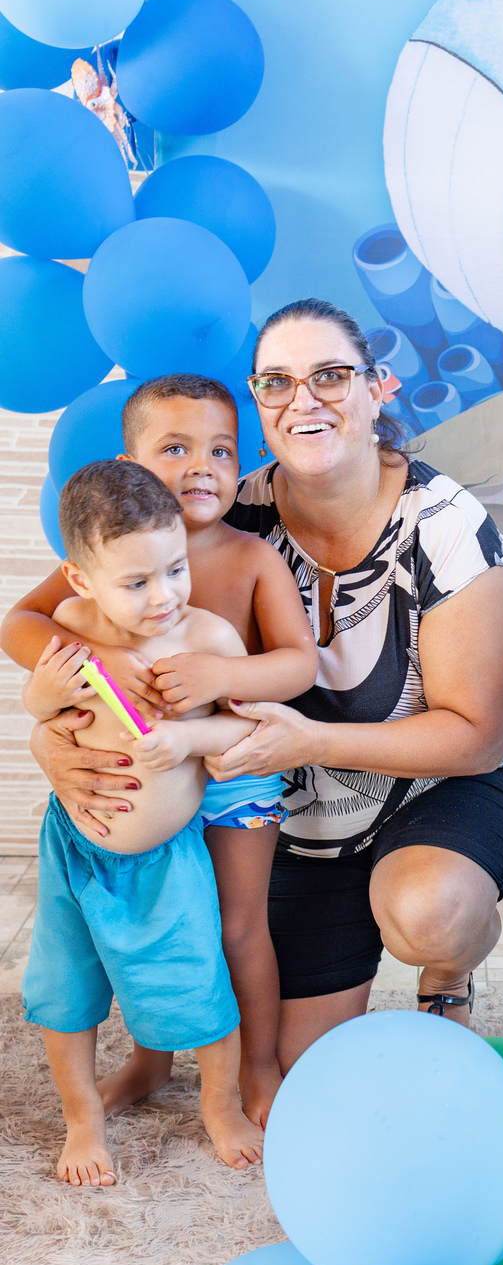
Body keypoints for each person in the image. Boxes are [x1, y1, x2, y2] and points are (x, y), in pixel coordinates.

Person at [20, 299, 503, 1072]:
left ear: (378, 390)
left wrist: (309, 740)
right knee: (298, 1063)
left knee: (429, 912)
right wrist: (64, 732)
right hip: (305, 811)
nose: (304, 400)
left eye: (330, 376)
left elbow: (477, 737)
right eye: (277, 382)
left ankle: (448, 972)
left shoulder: (444, 526)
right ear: (260, 406)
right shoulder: (217, 508)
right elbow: (48, 616)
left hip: (442, 784)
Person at [2, 377, 318, 1125]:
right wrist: (94, 662)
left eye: (221, 451)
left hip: (229, 769)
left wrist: (222, 676)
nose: (201, 466)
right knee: (159, 929)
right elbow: (20, 623)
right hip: (146, 777)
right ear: (132, 465)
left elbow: (298, 664)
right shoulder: (113, 549)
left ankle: (258, 1066)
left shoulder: (249, 557)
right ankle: (152, 1060)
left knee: (234, 926)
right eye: (175, 448)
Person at [20, 461, 268, 1186]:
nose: (164, 597)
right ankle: (82, 1121)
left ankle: (220, 1108)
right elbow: (43, 708)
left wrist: (189, 739)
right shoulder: (70, 630)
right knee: (63, 987)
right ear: (80, 580)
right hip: (73, 848)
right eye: (136, 583)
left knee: (196, 984)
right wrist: (43, 702)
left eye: (176, 570)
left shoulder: (210, 640)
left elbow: (249, 732)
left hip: (166, 859)